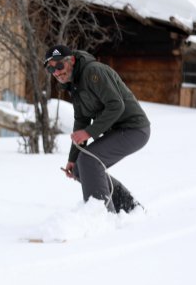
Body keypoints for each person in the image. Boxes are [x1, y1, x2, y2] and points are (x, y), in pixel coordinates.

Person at [44, 44, 151, 213]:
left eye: (59, 65)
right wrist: (73, 158)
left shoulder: (93, 72)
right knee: (80, 168)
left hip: (134, 129)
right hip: (117, 130)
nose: (57, 72)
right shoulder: (75, 85)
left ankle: (101, 216)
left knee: (89, 161)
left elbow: (116, 105)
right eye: (51, 69)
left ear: (71, 60)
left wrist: (89, 132)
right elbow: (81, 121)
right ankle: (129, 208)